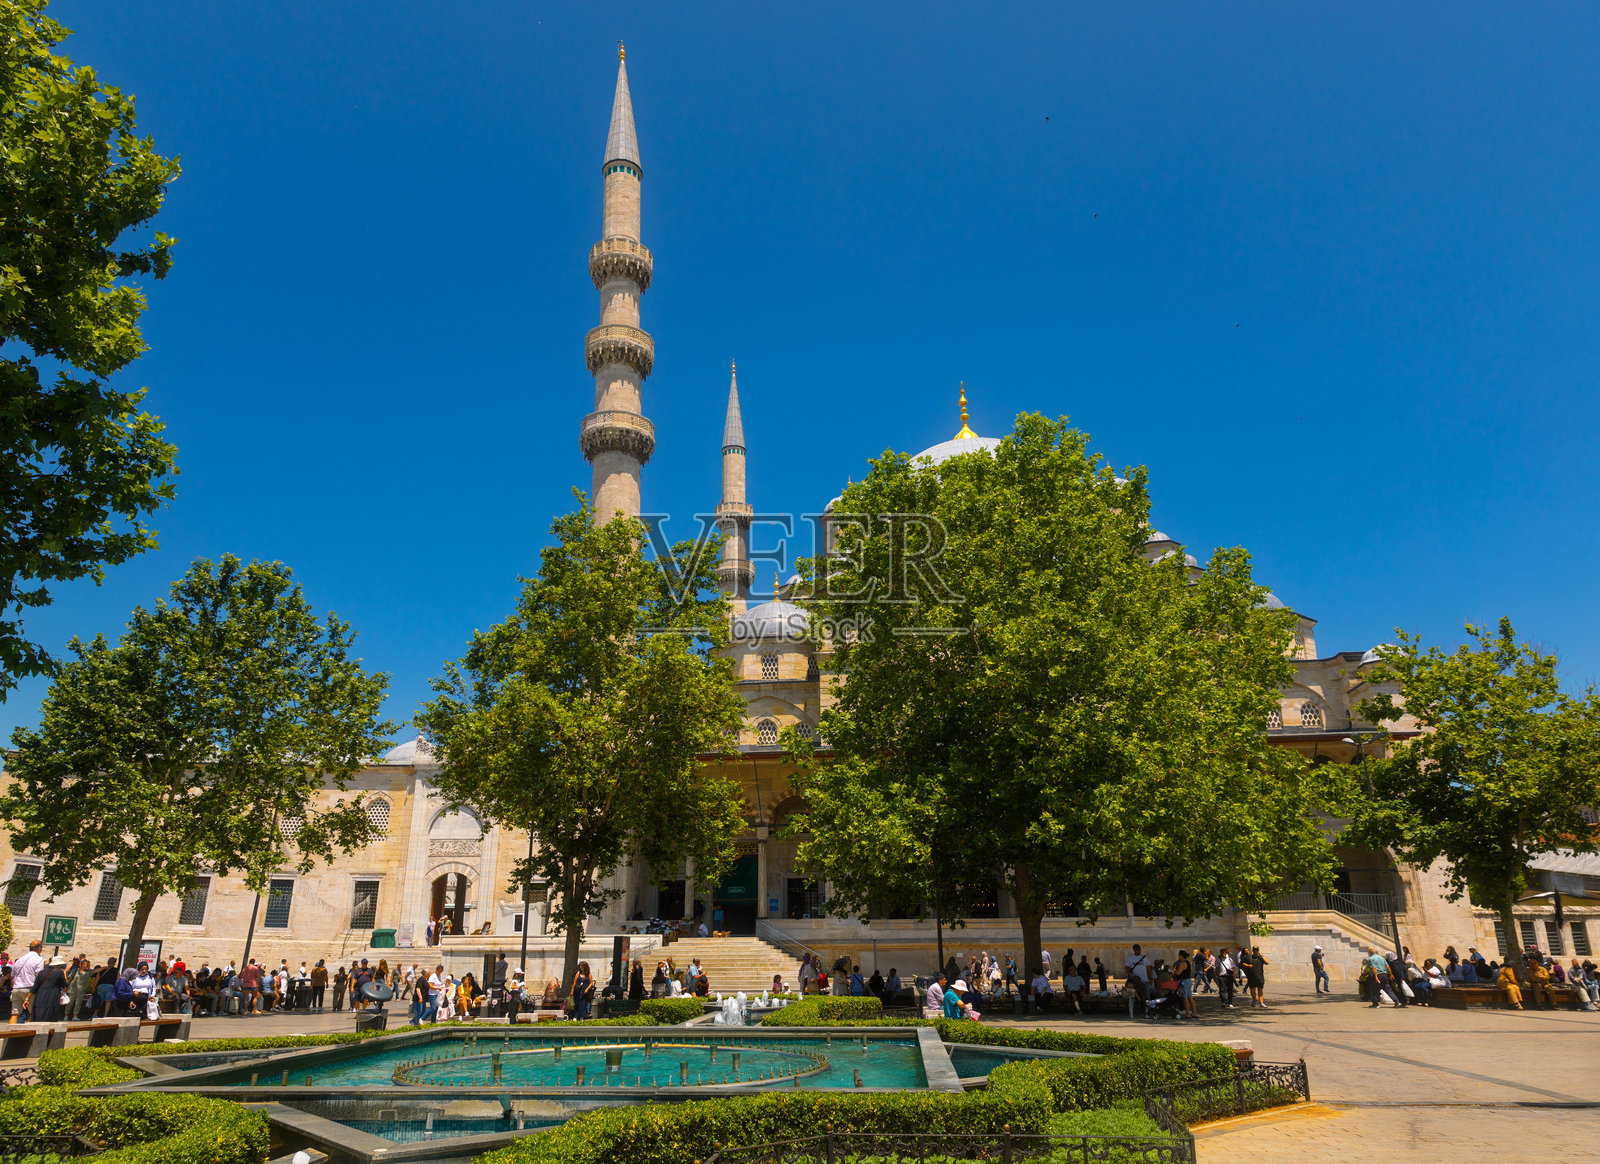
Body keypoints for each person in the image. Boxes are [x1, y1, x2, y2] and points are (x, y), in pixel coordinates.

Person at [10, 941, 43, 1024]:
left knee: (15, 1014)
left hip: (16, 988)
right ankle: (28, 1036)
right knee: (32, 1013)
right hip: (29, 988)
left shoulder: (20, 959)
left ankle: (9, 1035)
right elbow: (38, 976)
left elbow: (12, 976)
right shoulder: (39, 959)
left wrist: (13, 987)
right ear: (39, 948)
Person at [30, 956, 66, 1023]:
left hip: (40, 995)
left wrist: (28, 997)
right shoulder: (59, 972)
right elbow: (64, 984)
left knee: (39, 1015)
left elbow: (35, 986)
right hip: (52, 996)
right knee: (50, 1016)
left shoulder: (41, 972)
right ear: (58, 964)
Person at [1175, 950, 1197, 1020]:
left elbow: (1178, 973)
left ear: (1181, 956)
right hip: (1188, 980)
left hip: (1184, 981)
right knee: (1190, 997)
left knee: (1185, 998)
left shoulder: (1182, 963)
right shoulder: (1188, 963)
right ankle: (1194, 1013)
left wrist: (1174, 970)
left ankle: (1187, 1013)